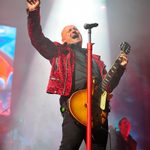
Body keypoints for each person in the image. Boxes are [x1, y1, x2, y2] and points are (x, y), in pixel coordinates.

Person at [26, 0, 128, 149]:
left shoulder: (96, 60)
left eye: (76, 29)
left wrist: (120, 68)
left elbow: (109, 86)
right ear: (63, 39)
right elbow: (37, 39)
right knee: (69, 146)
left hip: (98, 110)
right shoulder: (59, 52)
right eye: (69, 30)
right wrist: (33, 12)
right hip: (74, 105)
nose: (74, 30)